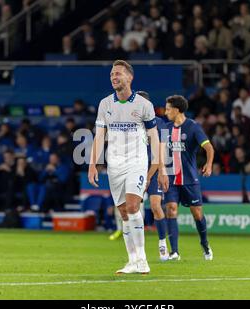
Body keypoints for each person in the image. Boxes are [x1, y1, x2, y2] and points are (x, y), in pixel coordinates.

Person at [88, 60, 160, 274]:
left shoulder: (143, 105)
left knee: (132, 206)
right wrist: (93, 163)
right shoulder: (105, 104)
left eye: (118, 73)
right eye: (111, 74)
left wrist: (156, 165)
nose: (114, 77)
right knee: (123, 212)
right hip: (114, 165)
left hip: (136, 162)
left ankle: (143, 260)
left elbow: (154, 136)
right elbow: (99, 136)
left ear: (130, 77)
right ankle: (132, 261)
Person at [160, 95, 214, 261]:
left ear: (177, 110)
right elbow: (160, 153)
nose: (166, 112)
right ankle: (174, 251)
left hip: (189, 179)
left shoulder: (193, 127)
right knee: (171, 209)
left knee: (197, 214)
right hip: (171, 179)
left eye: (168, 109)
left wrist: (209, 164)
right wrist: (162, 171)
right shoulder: (165, 129)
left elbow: (209, 148)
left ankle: (205, 244)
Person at [136, 90, 169, 261]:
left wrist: (149, 176)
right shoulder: (132, 124)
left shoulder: (160, 123)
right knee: (132, 208)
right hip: (135, 169)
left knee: (156, 206)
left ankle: (162, 243)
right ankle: (136, 250)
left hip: (154, 169)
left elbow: (159, 155)